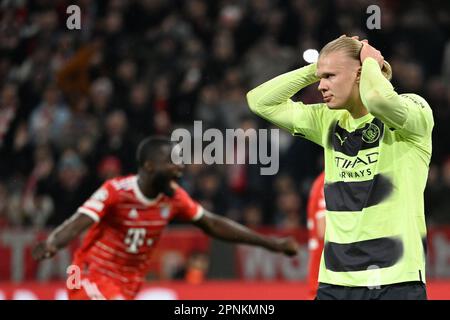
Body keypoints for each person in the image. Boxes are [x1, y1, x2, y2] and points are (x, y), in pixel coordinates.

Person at [247, 35, 434, 300]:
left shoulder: (414, 113)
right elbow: (259, 101)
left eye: (330, 76)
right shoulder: (328, 119)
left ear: (360, 74)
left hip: (396, 280)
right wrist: (316, 68)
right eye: (321, 77)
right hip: (335, 283)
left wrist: (370, 64)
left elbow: (379, 101)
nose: (321, 86)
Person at [32, 136, 299, 300]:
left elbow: (213, 224)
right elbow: (80, 221)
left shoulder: (173, 198)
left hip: (127, 284)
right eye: (172, 161)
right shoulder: (116, 191)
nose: (179, 167)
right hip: (88, 274)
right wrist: (53, 242)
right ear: (149, 166)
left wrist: (271, 243)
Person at [306, 171, 325, 300]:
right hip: (326, 274)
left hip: (321, 274)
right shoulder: (328, 181)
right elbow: (323, 230)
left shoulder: (320, 180)